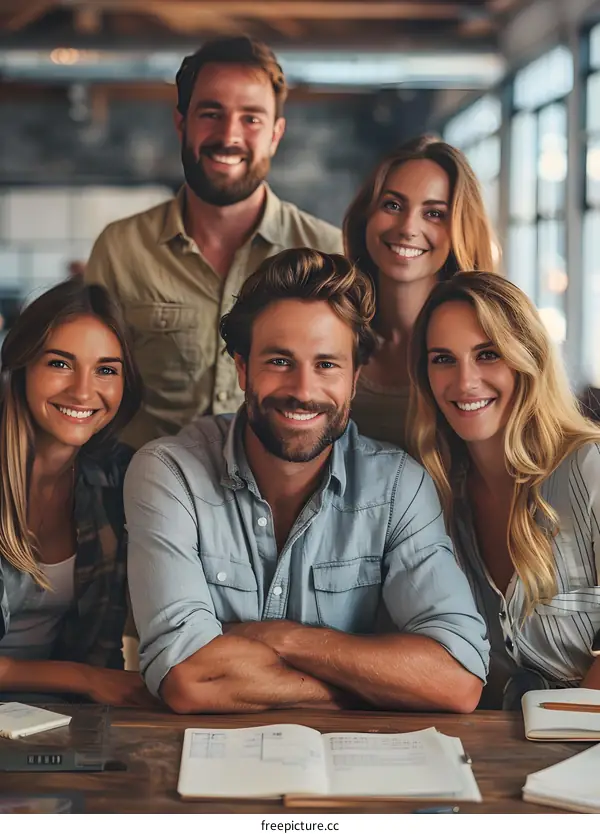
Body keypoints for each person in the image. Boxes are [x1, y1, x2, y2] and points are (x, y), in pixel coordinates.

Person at [125, 247, 489, 714]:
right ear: (242, 368)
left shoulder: (400, 486)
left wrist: (283, 640)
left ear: (355, 379)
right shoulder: (169, 474)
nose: (302, 390)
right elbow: (189, 680)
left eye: (326, 365)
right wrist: (368, 685)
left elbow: (456, 679)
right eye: (279, 361)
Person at [84, 36, 343, 450]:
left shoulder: (330, 254)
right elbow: (89, 384)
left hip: (283, 502)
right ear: (181, 122)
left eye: (251, 118)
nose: (229, 135)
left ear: (276, 134)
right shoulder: (121, 248)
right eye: (211, 112)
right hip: (137, 491)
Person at [409, 271, 600, 709]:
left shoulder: (590, 469)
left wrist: (563, 741)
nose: (464, 381)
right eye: (443, 359)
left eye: (487, 354)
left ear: (527, 358)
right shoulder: (436, 498)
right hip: (491, 754)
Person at [0, 278, 153, 706]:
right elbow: (94, 674)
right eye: (60, 364)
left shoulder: (118, 477)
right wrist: (84, 679)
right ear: (20, 364)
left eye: (106, 369)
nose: (84, 391)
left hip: (52, 721)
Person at [344, 136, 497, 448]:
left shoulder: (494, 340)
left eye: (434, 213)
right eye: (393, 205)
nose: (407, 227)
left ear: (460, 230)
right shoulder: (332, 327)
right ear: (366, 217)